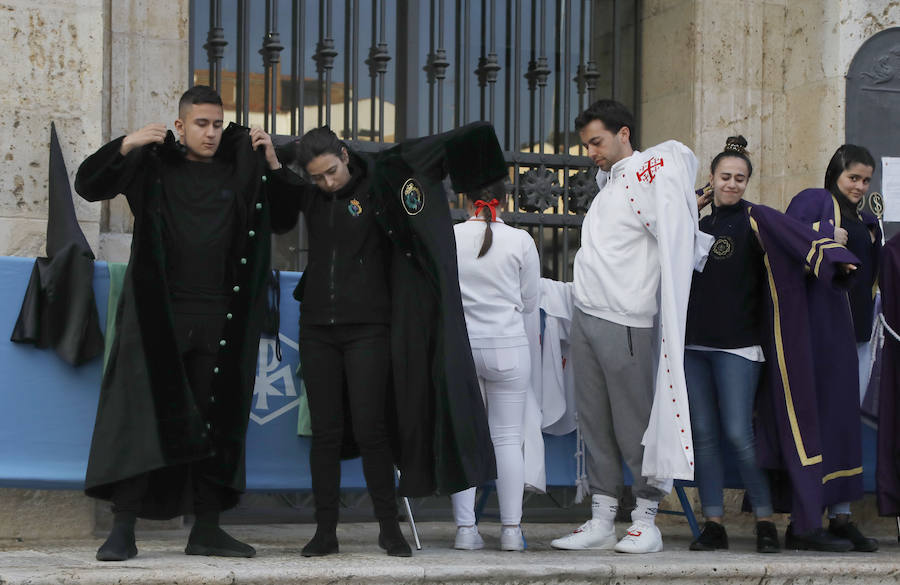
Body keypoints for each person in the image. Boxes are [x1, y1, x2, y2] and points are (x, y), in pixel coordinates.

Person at [75, 86, 300, 561]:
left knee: (217, 420)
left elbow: (282, 219)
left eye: (218, 124)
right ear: (180, 125)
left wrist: (276, 165)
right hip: (160, 314)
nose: (212, 133)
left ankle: (208, 529)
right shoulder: (154, 164)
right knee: (142, 417)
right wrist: (128, 142)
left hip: (222, 316)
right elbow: (89, 184)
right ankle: (123, 529)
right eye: (201, 124)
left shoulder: (243, 168)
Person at [279, 123, 504, 557]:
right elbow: (277, 172)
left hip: (369, 328)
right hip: (317, 329)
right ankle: (325, 531)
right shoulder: (312, 194)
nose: (327, 183)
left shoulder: (380, 181)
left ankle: (389, 528)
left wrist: (480, 169)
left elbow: (434, 150)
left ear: (345, 154)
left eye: (331, 172)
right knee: (325, 434)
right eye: (317, 177)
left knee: (371, 430)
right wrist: (275, 155)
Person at [550, 99, 712, 554]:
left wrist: (692, 224)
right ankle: (602, 518)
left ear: (624, 133)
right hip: (587, 314)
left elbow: (677, 232)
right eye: (586, 145)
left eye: (596, 142)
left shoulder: (648, 174)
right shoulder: (611, 185)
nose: (591, 152)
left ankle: (646, 518)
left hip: (626, 320)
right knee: (595, 422)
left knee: (633, 424)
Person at [776, 145, 880, 552]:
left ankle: (840, 517)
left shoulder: (864, 219)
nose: (859, 186)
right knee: (815, 426)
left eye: (866, 180)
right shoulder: (814, 201)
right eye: (853, 177)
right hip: (817, 335)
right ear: (834, 172)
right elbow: (783, 247)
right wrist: (821, 236)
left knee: (842, 429)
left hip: (854, 336)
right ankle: (803, 522)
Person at [683, 136, 779, 553]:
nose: (733, 184)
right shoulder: (696, 224)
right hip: (694, 345)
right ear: (711, 178)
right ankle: (713, 523)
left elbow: (792, 247)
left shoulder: (756, 222)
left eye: (740, 178)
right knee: (703, 435)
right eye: (726, 176)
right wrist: (690, 207)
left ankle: (765, 520)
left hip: (739, 345)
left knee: (739, 435)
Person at [449, 184, 540, 552]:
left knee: (465, 438)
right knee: (507, 440)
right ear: (506, 201)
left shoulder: (450, 236)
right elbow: (530, 300)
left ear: (464, 200)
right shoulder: (521, 240)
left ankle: (465, 531)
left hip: (463, 347)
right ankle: (511, 531)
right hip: (508, 346)